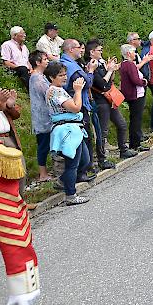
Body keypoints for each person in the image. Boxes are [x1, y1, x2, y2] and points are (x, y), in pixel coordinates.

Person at [0, 88, 41, 305]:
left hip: (8, 152)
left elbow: (14, 114)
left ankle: (23, 286)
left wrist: (8, 104)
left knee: (14, 221)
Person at [44, 62, 91, 205]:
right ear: (51, 77)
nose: (64, 77)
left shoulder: (58, 89)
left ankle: (62, 181)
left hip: (74, 128)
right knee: (73, 164)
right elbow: (76, 108)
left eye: (65, 74)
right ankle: (71, 195)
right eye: (60, 75)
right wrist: (78, 91)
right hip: (67, 130)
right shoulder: (56, 91)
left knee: (85, 159)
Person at [86, 40, 137, 160]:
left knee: (122, 124)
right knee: (103, 130)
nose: (101, 52)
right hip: (101, 101)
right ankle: (101, 158)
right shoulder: (91, 66)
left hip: (110, 98)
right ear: (92, 52)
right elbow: (102, 84)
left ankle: (123, 149)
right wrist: (108, 71)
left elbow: (109, 81)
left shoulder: (100, 63)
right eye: (99, 50)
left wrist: (111, 69)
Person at [59, 39, 105, 172]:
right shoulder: (71, 66)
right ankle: (85, 168)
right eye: (79, 47)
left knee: (87, 136)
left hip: (80, 103)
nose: (82, 50)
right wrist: (90, 70)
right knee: (86, 137)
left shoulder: (71, 63)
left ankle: (86, 166)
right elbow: (87, 83)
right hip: (77, 105)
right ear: (71, 49)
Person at [28, 51, 53, 183]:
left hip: (45, 116)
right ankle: (42, 174)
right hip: (42, 118)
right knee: (43, 145)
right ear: (38, 62)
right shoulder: (37, 78)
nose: (47, 61)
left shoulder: (40, 76)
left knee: (45, 144)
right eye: (44, 59)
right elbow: (47, 93)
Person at [119, 44, 149, 153]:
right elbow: (135, 80)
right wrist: (144, 82)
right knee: (136, 119)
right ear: (128, 53)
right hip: (135, 94)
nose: (135, 54)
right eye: (133, 52)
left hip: (131, 94)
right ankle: (135, 143)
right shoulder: (130, 65)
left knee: (135, 118)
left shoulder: (124, 64)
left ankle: (135, 142)